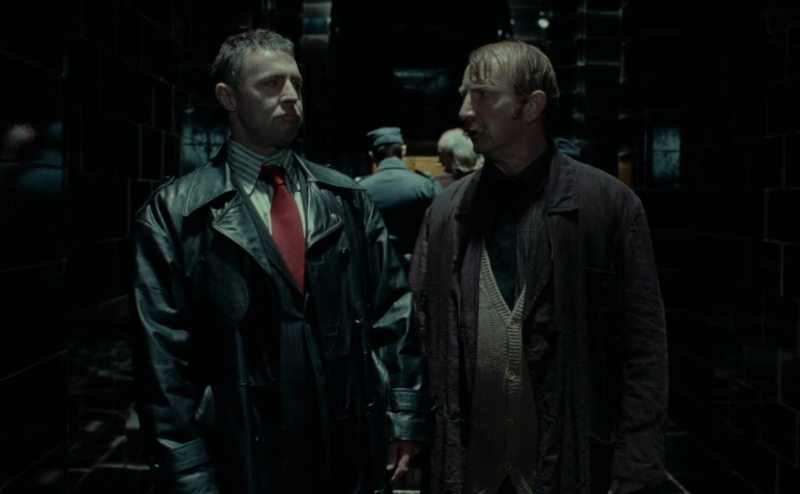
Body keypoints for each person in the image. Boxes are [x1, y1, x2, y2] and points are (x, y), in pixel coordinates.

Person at [132, 28, 430, 494]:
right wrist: (187, 472)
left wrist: (403, 416)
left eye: (296, 83)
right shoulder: (175, 213)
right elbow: (162, 361)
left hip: (342, 447)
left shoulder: (345, 200)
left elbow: (393, 312)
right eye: (271, 83)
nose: (291, 96)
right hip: (238, 454)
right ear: (228, 97)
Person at [410, 40, 668, 494]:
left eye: (483, 95)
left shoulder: (608, 205)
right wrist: (410, 430)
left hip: (567, 459)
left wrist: (637, 456)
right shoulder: (446, 212)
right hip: (471, 466)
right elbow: (419, 332)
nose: (466, 111)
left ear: (532, 106)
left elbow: (643, 341)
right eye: (464, 95)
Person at [358, 126, 437, 268]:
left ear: (372, 155)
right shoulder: (425, 185)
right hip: (417, 264)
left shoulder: (362, 189)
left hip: (379, 267)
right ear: (404, 150)